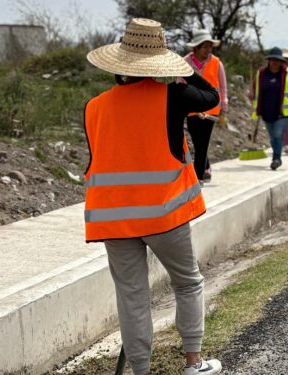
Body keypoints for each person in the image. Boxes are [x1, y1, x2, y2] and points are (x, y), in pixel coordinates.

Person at [84, 18, 222, 375]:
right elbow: (212, 97)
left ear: (118, 65)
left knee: (132, 297)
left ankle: (140, 371)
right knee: (187, 283)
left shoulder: (94, 107)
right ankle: (193, 363)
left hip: (113, 219)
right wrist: (185, 69)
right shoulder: (172, 96)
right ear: (159, 62)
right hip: (163, 215)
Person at [249, 47, 288, 170]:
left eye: (277, 60)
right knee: (272, 137)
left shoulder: (287, 73)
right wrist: (252, 93)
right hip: (266, 111)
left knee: (277, 134)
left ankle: (276, 159)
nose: (275, 63)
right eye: (272, 60)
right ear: (269, 61)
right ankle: (277, 155)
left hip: (283, 112)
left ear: (281, 62)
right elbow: (254, 86)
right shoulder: (262, 73)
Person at [184, 29, 228, 185]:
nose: (208, 50)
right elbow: (179, 84)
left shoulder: (216, 63)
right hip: (192, 110)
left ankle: (199, 177)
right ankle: (206, 167)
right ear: (195, 48)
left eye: (210, 47)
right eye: (205, 47)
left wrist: (224, 106)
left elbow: (222, 87)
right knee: (198, 143)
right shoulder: (186, 63)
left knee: (202, 143)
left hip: (211, 110)